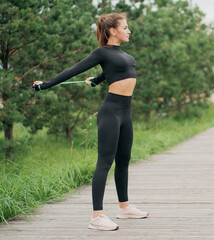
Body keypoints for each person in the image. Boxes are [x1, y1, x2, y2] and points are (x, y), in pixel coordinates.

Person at [32, 12, 149, 231]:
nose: (129, 31)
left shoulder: (124, 55)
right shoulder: (101, 52)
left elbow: (111, 72)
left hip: (126, 113)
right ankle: (97, 216)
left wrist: (96, 80)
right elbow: (73, 70)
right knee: (105, 162)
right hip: (111, 112)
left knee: (123, 160)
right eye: (125, 27)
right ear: (112, 31)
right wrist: (45, 85)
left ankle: (124, 207)